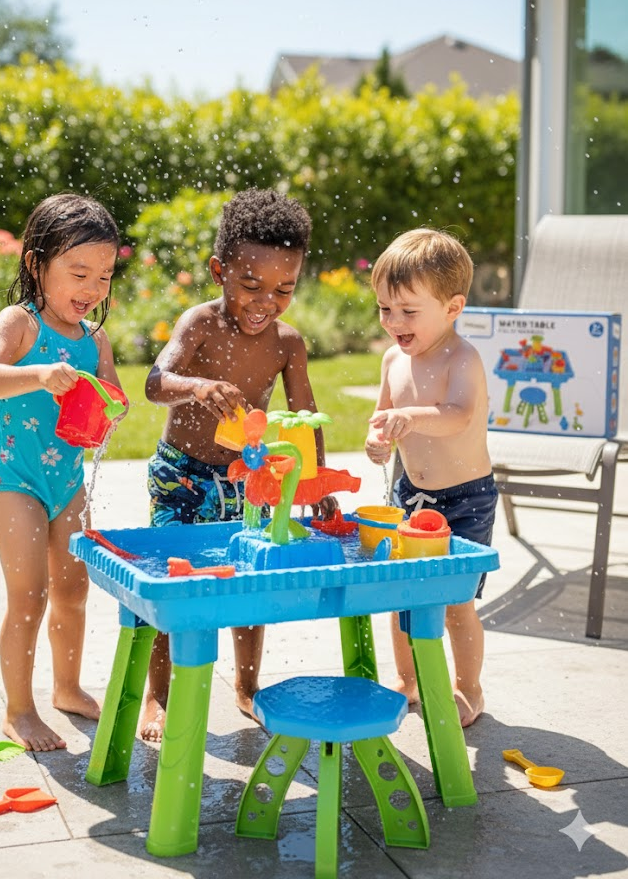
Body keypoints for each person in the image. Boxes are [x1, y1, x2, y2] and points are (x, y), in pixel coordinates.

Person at [141, 187, 336, 740]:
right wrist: (197, 387)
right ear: (218, 271)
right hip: (182, 474)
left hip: (248, 480)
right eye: (251, 285)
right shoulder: (199, 324)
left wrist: (316, 481)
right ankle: (157, 696)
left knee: (250, 584)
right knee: (173, 583)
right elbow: (155, 383)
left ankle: (247, 688)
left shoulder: (287, 344)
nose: (265, 302)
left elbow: (305, 416)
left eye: (283, 289)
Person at [0, 193, 125, 752]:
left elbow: (111, 395)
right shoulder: (21, 323)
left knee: (73, 589)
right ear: (37, 264)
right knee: (29, 596)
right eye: (79, 273)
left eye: (104, 276)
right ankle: (19, 711)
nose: (92, 288)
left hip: (68, 482)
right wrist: (39, 374)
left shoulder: (95, 339)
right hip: (16, 482)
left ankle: (67, 687)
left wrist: (112, 407)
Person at [364, 227, 497, 727]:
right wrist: (378, 441)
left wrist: (411, 417)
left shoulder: (463, 359)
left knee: (456, 602)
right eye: (385, 309)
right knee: (402, 594)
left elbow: (458, 415)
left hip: (465, 499)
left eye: (408, 311)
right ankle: (407, 679)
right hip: (411, 494)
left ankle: (468, 688)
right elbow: (382, 418)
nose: (393, 322)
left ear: (453, 307)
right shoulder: (392, 359)